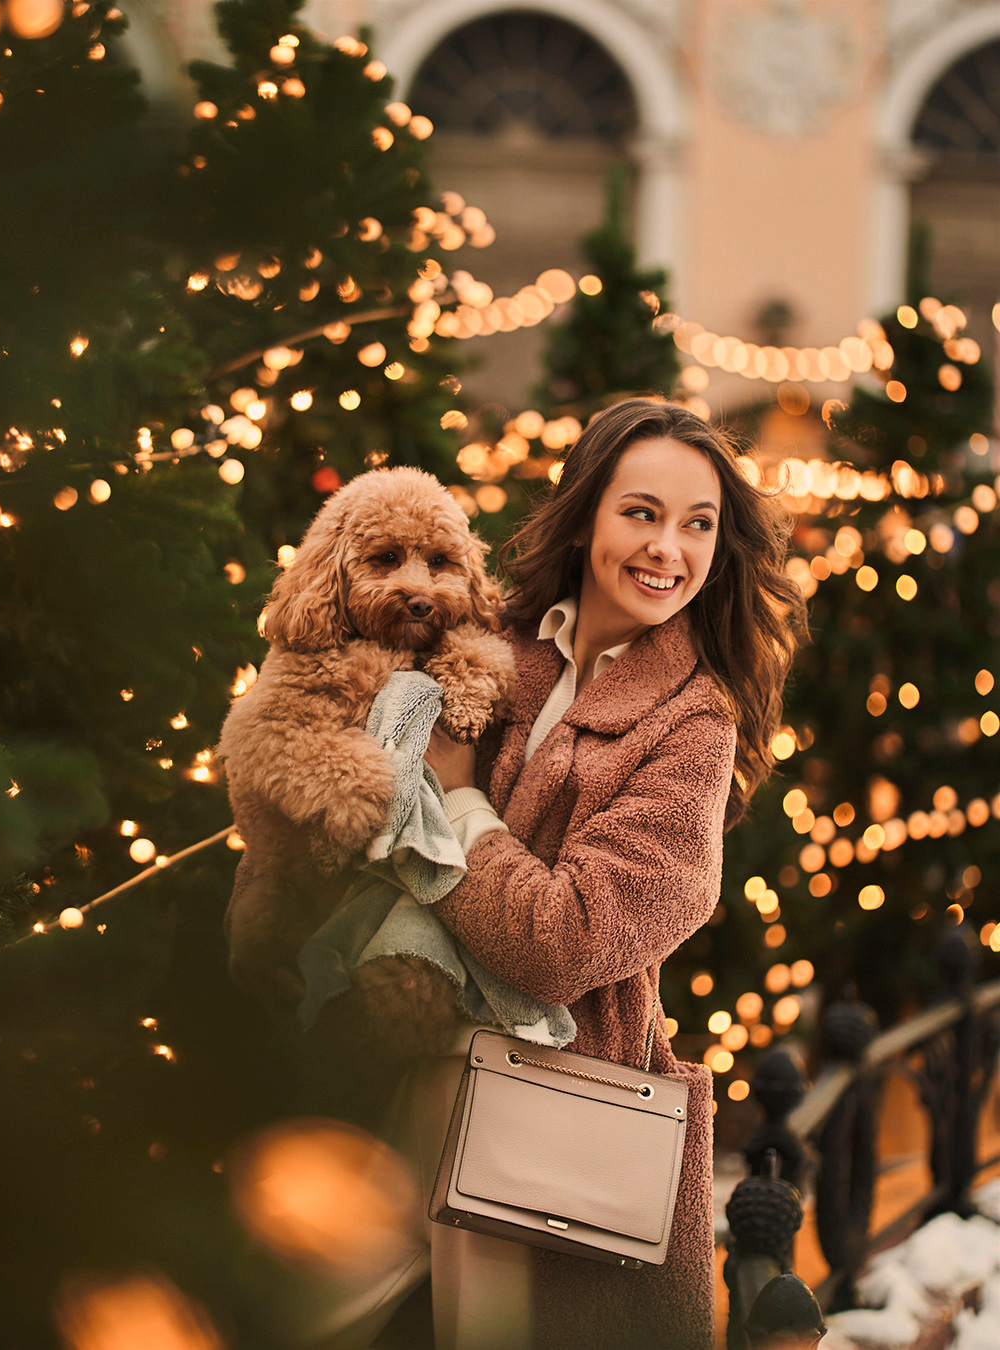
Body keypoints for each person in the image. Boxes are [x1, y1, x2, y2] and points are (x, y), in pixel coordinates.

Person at [297, 397, 805, 1350]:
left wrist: (455, 802)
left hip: (545, 1118)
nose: (668, 549)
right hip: (390, 1071)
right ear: (584, 516)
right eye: (641, 512)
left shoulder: (693, 726)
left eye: (698, 524)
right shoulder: (492, 640)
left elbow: (565, 942)